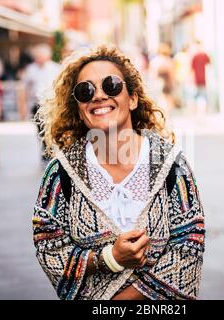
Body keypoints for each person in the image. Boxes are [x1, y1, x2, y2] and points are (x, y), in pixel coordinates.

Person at [32, 45, 205, 300]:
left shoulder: (171, 165)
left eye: (111, 85)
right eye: (85, 91)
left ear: (132, 98)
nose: (99, 96)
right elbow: (48, 246)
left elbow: (190, 248)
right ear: (79, 107)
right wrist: (109, 259)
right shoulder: (60, 174)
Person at [22, 43, 61, 162]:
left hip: (52, 104)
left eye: (41, 55)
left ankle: (55, 150)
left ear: (47, 56)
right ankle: (46, 151)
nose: (38, 58)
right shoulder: (30, 69)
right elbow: (24, 88)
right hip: (37, 105)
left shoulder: (55, 68)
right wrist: (23, 105)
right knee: (41, 129)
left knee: (54, 128)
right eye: (37, 56)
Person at [149, 43, 176, 114]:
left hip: (157, 82)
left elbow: (152, 74)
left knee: (159, 100)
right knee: (167, 100)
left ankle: (162, 115)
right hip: (167, 83)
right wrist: (173, 83)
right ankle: (167, 115)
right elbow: (172, 73)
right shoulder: (169, 61)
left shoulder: (155, 60)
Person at [190, 41, 211, 114]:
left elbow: (191, 69)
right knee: (203, 97)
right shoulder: (204, 55)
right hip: (203, 79)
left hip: (197, 80)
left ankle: (197, 113)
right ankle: (203, 112)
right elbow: (209, 65)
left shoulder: (195, 56)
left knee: (196, 97)